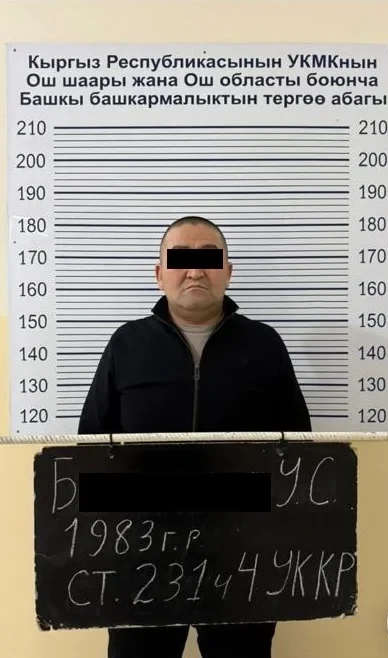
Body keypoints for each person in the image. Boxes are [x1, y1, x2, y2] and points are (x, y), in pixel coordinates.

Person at [78, 215, 311, 658]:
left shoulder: (264, 345)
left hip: (242, 557)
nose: (195, 271)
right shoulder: (126, 344)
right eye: (181, 259)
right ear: (159, 273)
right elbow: (91, 446)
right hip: (141, 553)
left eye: (209, 259)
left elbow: (298, 450)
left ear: (228, 270)